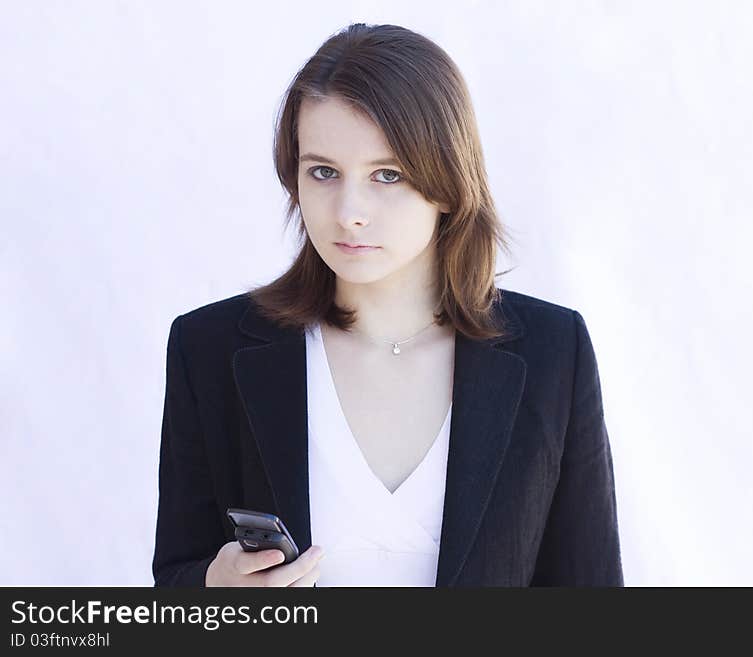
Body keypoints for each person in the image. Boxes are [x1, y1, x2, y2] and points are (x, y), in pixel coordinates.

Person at [152, 22, 623, 587]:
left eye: (387, 175)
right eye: (323, 172)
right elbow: (171, 589)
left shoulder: (552, 352)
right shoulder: (210, 349)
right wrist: (212, 590)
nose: (349, 211)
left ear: (447, 183)